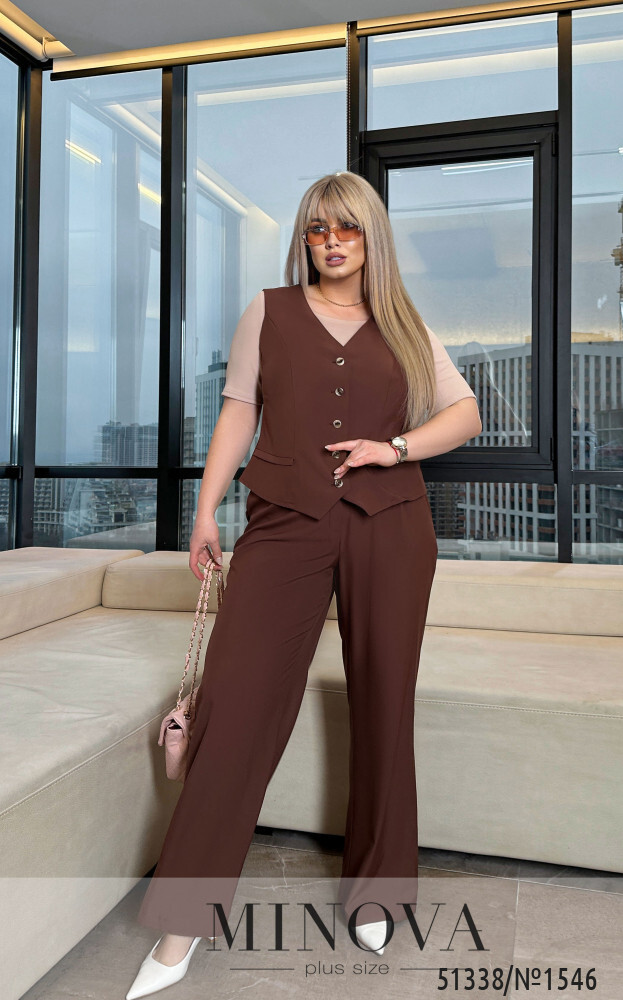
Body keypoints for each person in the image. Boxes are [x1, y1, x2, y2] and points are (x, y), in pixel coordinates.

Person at [125, 171, 482, 999]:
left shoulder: (404, 324)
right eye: (318, 228)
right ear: (305, 238)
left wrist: (393, 448)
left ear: (370, 237)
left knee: (385, 703)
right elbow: (238, 411)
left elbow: (465, 414)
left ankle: (378, 892)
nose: (331, 241)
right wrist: (206, 509)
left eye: (347, 228)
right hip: (285, 522)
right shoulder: (270, 311)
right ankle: (183, 922)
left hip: (392, 524)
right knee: (235, 704)